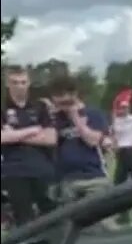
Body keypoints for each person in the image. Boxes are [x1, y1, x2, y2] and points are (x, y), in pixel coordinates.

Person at [1, 66, 58, 226]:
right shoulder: (3, 109)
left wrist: (15, 135)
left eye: (23, 82)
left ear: (29, 83)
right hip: (14, 171)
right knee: (24, 221)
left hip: (42, 169)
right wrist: (33, 130)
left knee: (52, 217)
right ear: (7, 84)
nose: (19, 86)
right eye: (15, 82)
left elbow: (51, 138)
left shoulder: (40, 107)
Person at [47, 76, 110, 206]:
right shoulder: (55, 118)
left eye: (64, 96)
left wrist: (75, 118)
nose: (61, 102)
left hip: (93, 177)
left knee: (98, 221)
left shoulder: (92, 113)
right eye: (57, 97)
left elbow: (93, 141)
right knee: (71, 223)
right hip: (66, 180)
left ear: (74, 94)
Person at [109, 90, 132, 222]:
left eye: (126, 107)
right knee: (119, 183)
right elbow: (113, 137)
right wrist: (114, 146)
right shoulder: (115, 121)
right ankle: (123, 215)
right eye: (121, 107)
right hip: (121, 152)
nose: (123, 110)